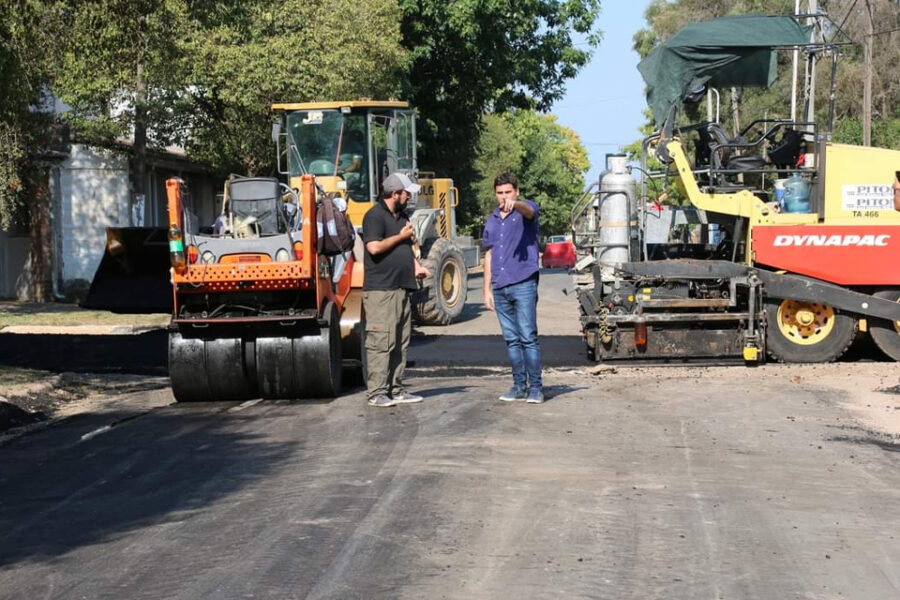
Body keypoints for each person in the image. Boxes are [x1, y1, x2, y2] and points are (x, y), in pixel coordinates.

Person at [362, 172, 432, 408]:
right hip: (381, 291)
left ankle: (397, 388)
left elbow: (404, 247)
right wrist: (400, 236)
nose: (409, 197)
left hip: (402, 288)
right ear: (394, 193)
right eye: (406, 193)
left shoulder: (402, 216)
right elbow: (374, 248)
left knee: (401, 341)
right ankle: (377, 393)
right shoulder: (374, 216)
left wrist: (417, 266)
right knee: (381, 341)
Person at [482, 172, 544, 404]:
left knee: (528, 336)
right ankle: (519, 386)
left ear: (516, 191)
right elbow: (489, 253)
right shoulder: (492, 220)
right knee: (511, 339)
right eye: (500, 193)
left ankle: (536, 388)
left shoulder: (526, 210)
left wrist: (515, 205)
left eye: (508, 192)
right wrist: (486, 289)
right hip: (500, 286)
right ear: (495, 194)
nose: (504, 196)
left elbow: (529, 211)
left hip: (523, 282)